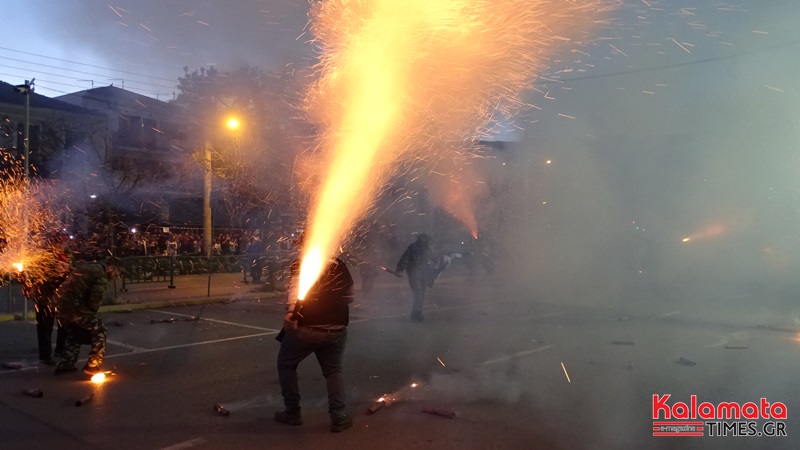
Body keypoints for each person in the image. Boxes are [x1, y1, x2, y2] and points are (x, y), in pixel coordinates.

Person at [275, 233, 355, 433]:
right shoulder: (339, 264)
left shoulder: (300, 264)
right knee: (333, 371)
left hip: (307, 328)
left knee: (286, 364)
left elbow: (294, 292)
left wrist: (291, 312)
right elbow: (350, 296)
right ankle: (339, 417)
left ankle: (292, 412)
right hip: (336, 328)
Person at [53, 257, 121, 376]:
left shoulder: (90, 267)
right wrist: (91, 315)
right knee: (100, 330)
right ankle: (92, 366)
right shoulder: (101, 276)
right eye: (117, 272)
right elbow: (94, 302)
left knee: (74, 332)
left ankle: (65, 364)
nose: (117, 276)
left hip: (60, 307)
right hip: (73, 308)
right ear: (110, 267)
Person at [23, 246, 70, 365]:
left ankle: (60, 349)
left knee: (63, 326)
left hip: (59, 301)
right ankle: (45, 356)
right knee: (45, 330)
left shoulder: (61, 260)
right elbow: (48, 284)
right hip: (45, 302)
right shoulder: (46, 268)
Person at [395, 233, 433, 322]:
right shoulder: (413, 248)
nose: (427, 241)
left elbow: (432, 258)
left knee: (421, 294)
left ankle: (416, 313)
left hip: (423, 274)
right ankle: (416, 313)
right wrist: (400, 268)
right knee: (418, 294)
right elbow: (405, 258)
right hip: (414, 273)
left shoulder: (427, 248)